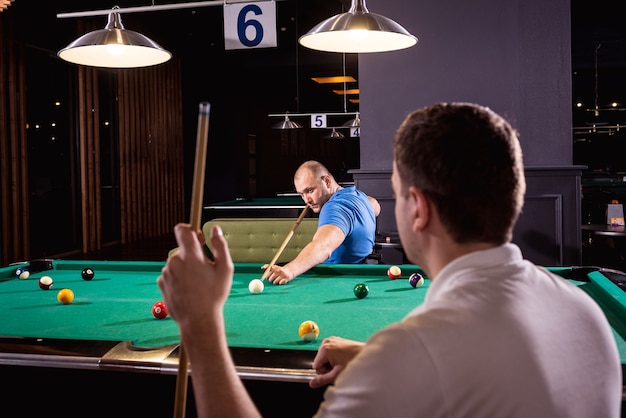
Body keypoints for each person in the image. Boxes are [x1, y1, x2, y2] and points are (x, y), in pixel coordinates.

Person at [157, 102, 622, 418]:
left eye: (399, 196)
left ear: (417, 209)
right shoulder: (586, 312)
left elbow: (435, 363)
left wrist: (200, 328)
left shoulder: (406, 357)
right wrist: (373, 356)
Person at [263, 160, 380, 285]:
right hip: (360, 273)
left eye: (310, 190)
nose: (306, 200)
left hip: (336, 281)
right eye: (301, 194)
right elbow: (375, 206)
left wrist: (290, 271)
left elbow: (324, 246)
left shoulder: (334, 207)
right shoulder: (359, 197)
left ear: (327, 181)